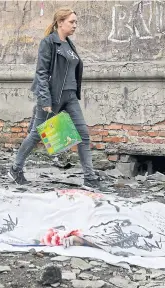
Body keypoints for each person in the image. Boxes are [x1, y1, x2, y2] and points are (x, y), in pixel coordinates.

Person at [9, 7, 103, 189]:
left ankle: (89, 178)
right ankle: (15, 168)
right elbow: (41, 73)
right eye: (71, 22)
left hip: (70, 97)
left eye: (76, 22)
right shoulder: (48, 42)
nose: (75, 25)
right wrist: (44, 100)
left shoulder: (68, 44)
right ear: (60, 22)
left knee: (83, 135)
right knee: (36, 134)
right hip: (52, 97)